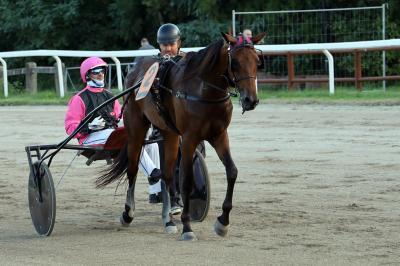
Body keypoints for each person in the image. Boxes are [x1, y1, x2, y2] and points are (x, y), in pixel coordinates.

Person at [64, 56, 162, 186]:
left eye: (102, 71)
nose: (100, 74)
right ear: (87, 75)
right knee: (132, 138)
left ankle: (155, 191)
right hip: (89, 138)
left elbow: (119, 117)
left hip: (112, 135)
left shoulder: (110, 96)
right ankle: (154, 172)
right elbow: (70, 127)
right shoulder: (79, 98)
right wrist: (89, 126)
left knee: (151, 144)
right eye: (96, 71)